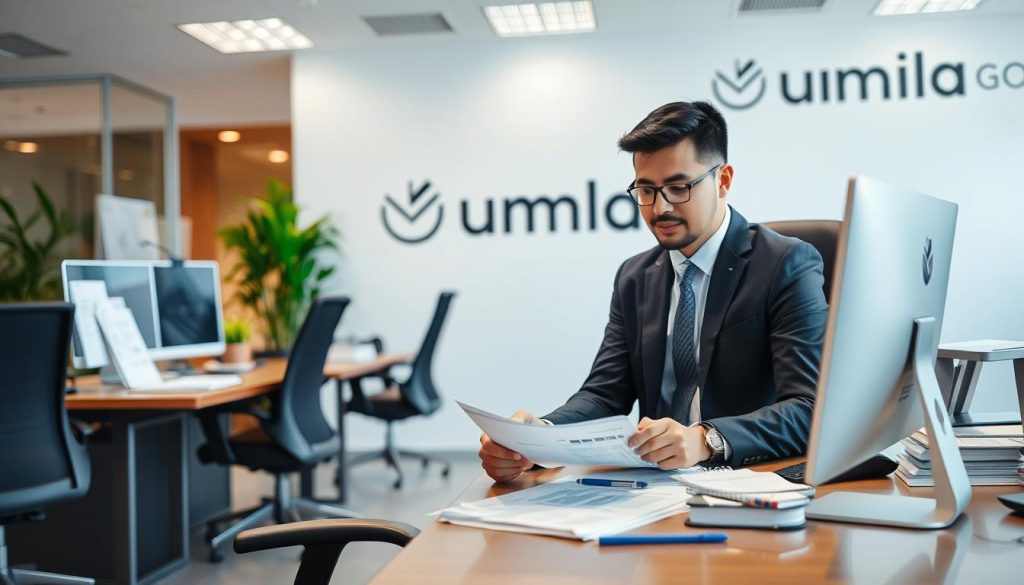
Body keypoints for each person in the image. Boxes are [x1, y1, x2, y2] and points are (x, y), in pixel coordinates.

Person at [479, 100, 829, 482]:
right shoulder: (635, 276)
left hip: (751, 481)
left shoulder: (785, 264)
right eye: (646, 190)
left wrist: (706, 439)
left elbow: (810, 407)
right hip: (656, 485)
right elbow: (604, 394)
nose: (660, 208)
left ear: (723, 180)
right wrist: (539, 437)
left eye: (679, 187)